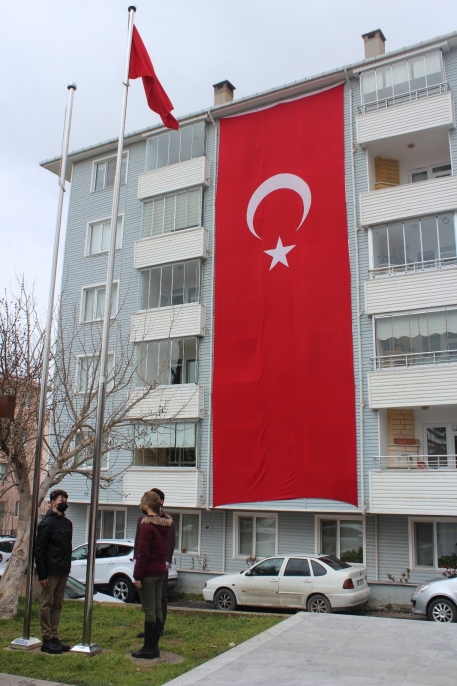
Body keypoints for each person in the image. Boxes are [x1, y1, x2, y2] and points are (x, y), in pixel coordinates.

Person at [132, 491, 172, 659]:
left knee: (149, 610)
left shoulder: (146, 526)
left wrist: (137, 576)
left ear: (147, 505)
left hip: (148, 573)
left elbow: (142, 553)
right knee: (157, 609)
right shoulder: (164, 524)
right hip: (160, 571)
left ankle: (148, 648)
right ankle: (155, 648)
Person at [34, 489, 73, 654]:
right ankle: (47, 638)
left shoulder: (67, 523)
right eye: (61, 500)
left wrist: (67, 567)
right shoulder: (47, 523)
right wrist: (42, 574)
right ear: (52, 502)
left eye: (65, 500)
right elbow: (39, 549)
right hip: (50, 571)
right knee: (46, 604)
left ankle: (55, 636)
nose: (64, 502)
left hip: (63, 569)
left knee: (57, 604)